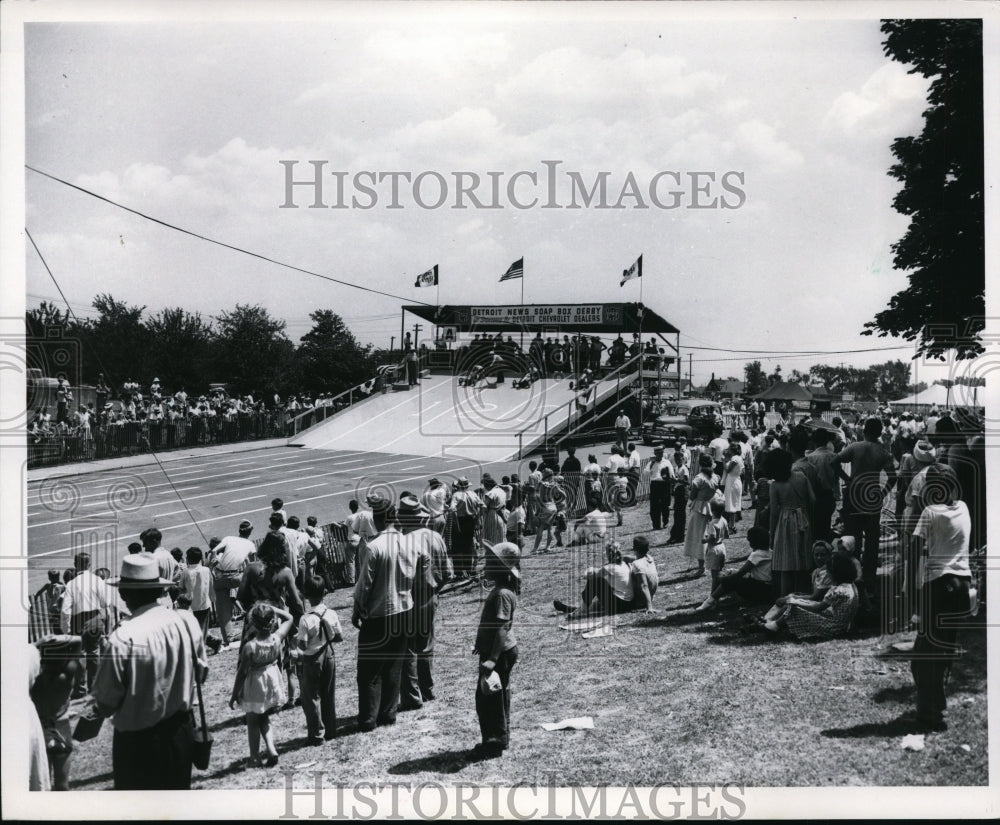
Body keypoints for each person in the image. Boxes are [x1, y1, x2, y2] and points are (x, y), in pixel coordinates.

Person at [90, 555, 207, 789]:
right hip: (180, 731)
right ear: (157, 590)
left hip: (137, 741)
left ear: (124, 594)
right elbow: (201, 674)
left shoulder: (122, 637)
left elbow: (106, 701)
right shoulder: (184, 622)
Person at [352, 496, 434, 732]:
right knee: (394, 665)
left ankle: (368, 717)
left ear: (378, 519)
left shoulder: (373, 547)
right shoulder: (411, 543)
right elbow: (424, 566)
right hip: (404, 610)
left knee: (369, 670)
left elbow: (364, 586)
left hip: (378, 614)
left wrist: (357, 610)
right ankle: (388, 713)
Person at [908, 464, 972, 731]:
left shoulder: (929, 513)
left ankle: (929, 711)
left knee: (924, 653)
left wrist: (912, 594)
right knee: (945, 646)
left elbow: (914, 551)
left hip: (939, 584)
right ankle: (938, 702)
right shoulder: (964, 508)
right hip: (962, 584)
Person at [397, 495, 452, 709]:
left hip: (408, 597)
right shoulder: (434, 536)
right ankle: (427, 688)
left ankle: (414, 691)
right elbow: (448, 572)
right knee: (426, 643)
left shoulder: (403, 540)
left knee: (408, 645)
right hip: (430, 594)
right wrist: (435, 589)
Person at [832, 417, 896, 598]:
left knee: (853, 538)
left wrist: (847, 479)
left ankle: (852, 578)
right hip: (872, 498)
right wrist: (882, 494)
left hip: (854, 496)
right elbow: (893, 477)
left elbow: (834, 462)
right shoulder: (883, 452)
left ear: (864, 430)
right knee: (872, 540)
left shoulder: (855, 447)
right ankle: (868, 581)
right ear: (879, 432)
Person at [230, 603, 295, 767]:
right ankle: (271, 749)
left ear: (252, 622)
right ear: (273, 621)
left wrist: (234, 694)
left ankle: (254, 757)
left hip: (255, 684)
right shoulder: (277, 638)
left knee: (252, 722)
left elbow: (242, 673)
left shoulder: (249, 647)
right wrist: (273, 609)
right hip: (271, 680)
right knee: (265, 717)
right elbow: (289, 618)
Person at [472, 542, 521, 758]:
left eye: (490, 563)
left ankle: (494, 741)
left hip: (499, 652)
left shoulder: (501, 594)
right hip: (499, 649)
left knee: (490, 697)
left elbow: (502, 627)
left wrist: (492, 658)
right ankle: (501, 736)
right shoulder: (502, 590)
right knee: (499, 694)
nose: (485, 566)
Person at [59, 552, 119, 699]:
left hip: (78, 620)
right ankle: (94, 688)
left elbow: (65, 610)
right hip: (96, 618)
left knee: (80, 654)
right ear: (90, 564)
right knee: (94, 652)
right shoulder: (97, 580)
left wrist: (66, 629)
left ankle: (80, 690)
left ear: (75, 564)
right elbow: (106, 602)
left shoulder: (71, 584)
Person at [764, 550, 859, 639]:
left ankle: (774, 626)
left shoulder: (837, 591)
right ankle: (771, 622)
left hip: (833, 627)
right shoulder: (851, 586)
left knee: (794, 607)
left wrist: (796, 602)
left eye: (829, 572)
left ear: (836, 573)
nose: (828, 574)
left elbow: (817, 608)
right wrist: (799, 601)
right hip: (842, 624)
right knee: (798, 603)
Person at [295, 575, 343, 744]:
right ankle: (331, 730)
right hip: (328, 655)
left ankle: (316, 735)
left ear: (306, 596)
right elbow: (339, 637)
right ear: (325, 592)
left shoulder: (305, 619)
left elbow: (303, 645)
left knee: (311, 697)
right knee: (328, 693)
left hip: (312, 659)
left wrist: (295, 644)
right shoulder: (331, 613)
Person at [31, 635, 82, 790]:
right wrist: (59, 638)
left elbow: (24, 654)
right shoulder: (68, 673)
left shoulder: (35, 677)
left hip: (40, 731)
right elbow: (79, 641)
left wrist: (39, 643)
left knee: (40, 785)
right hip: (61, 728)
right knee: (62, 785)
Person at [769, 448, 815, 596]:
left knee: (786, 562)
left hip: (785, 521)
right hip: (803, 518)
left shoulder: (775, 485)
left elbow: (774, 513)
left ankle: (785, 597)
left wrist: (771, 534)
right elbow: (813, 499)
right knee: (803, 559)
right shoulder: (801, 476)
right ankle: (802, 594)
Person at [697, 526, 773, 611]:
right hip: (768, 589)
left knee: (730, 580)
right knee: (732, 576)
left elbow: (740, 574)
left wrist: (724, 579)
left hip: (761, 589)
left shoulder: (757, 554)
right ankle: (713, 599)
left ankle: (709, 601)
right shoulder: (770, 552)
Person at [553, 542, 634, 616]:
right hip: (626, 603)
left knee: (595, 580)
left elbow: (588, 576)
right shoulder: (623, 563)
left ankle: (582, 610)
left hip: (618, 605)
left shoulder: (609, 568)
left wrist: (589, 569)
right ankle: (571, 609)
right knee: (595, 599)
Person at [211, 519, 256, 650]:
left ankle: (227, 639)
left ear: (239, 530)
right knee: (252, 599)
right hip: (236, 576)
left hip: (219, 576)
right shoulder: (250, 544)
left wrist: (212, 566)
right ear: (250, 531)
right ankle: (253, 624)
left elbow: (213, 551)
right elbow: (252, 564)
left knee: (222, 610)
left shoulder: (229, 538)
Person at [683, 454, 719, 577]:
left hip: (700, 508)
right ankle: (707, 563)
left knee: (699, 536)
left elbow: (692, 495)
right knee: (708, 534)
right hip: (710, 507)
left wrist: (688, 493)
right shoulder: (715, 477)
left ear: (701, 465)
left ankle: (701, 567)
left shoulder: (699, 478)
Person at [181, 547, 216, 646]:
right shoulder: (206, 570)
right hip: (204, 602)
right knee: (203, 626)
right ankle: (208, 643)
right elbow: (211, 584)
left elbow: (181, 587)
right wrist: (212, 597)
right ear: (201, 558)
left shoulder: (186, 571)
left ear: (188, 559)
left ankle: (200, 646)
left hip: (190, 605)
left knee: (193, 627)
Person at [450, 477, 483, 578]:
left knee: (457, 547)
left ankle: (459, 572)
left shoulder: (456, 495)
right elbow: (483, 506)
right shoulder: (473, 494)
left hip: (460, 521)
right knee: (468, 546)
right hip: (470, 521)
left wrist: (456, 523)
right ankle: (468, 569)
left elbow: (452, 509)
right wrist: (477, 517)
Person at [703, 498, 731, 596]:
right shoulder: (724, 520)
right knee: (719, 570)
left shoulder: (713, 523)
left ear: (712, 510)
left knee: (715, 575)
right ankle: (720, 591)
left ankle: (713, 595)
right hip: (722, 547)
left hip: (714, 548)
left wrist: (705, 540)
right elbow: (727, 534)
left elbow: (713, 537)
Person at [647, 444, 674, 531]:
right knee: (654, 506)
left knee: (665, 504)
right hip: (655, 484)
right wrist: (651, 464)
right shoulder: (651, 463)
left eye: (661, 453)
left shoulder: (667, 462)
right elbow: (645, 473)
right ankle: (656, 524)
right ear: (655, 453)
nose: (660, 455)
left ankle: (665, 521)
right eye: (658, 453)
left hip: (664, 484)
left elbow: (672, 474)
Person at [668, 450, 690, 544]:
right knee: (677, 514)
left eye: (680, 459)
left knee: (680, 514)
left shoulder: (684, 469)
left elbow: (686, 481)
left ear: (683, 459)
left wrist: (676, 480)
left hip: (682, 491)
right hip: (678, 491)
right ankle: (675, 535)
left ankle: (680, 536)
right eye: (676, 459)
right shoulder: (677, 468)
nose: (678, 461)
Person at [481, 474, 507, 549]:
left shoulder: (491, 493)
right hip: (501, 514)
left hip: (492, 515)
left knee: (491, 538)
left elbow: (484, 506)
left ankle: (492, 556)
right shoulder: (501, 491)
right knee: (500, 537)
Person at [722, 444, 744, 531]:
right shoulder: (740, 458)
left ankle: (731, 526)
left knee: (731, 503)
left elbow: (727, 470)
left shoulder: (735, 458)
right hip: (736, 480)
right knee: (733, 503)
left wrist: (723, 461)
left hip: (732, 482)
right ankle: (732, 525)